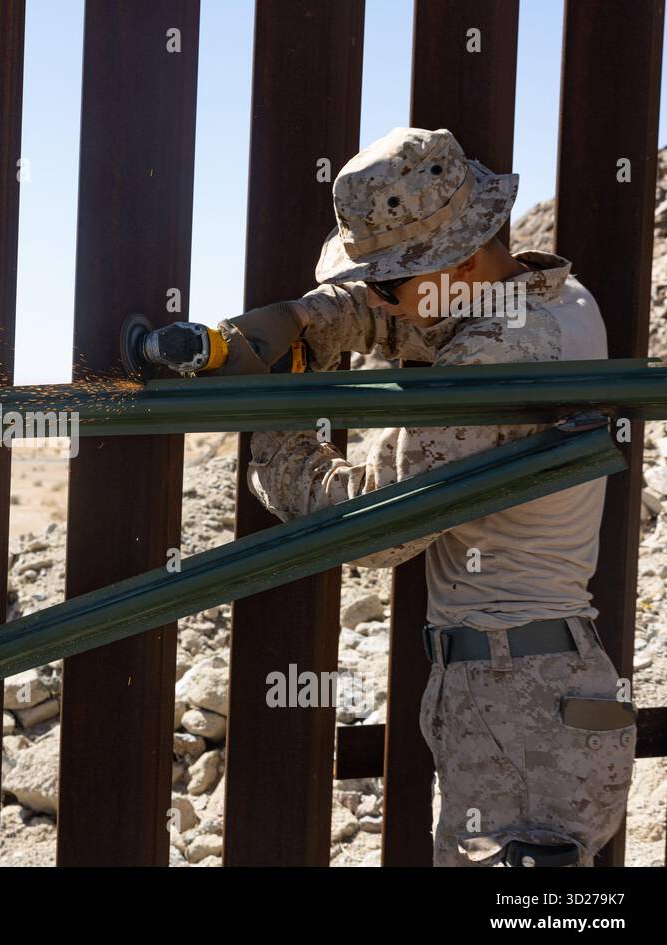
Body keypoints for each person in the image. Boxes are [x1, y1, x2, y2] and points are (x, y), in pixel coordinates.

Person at [172, 127, 636, 866]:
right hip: (540, 690)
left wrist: (278, 441)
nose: (380, 298)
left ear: (457, 260)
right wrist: (308, 322)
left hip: (514, 704)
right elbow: (430, 322)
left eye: (388, 280)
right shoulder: (552, 300)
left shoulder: (492, 357)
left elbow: (378, 524)